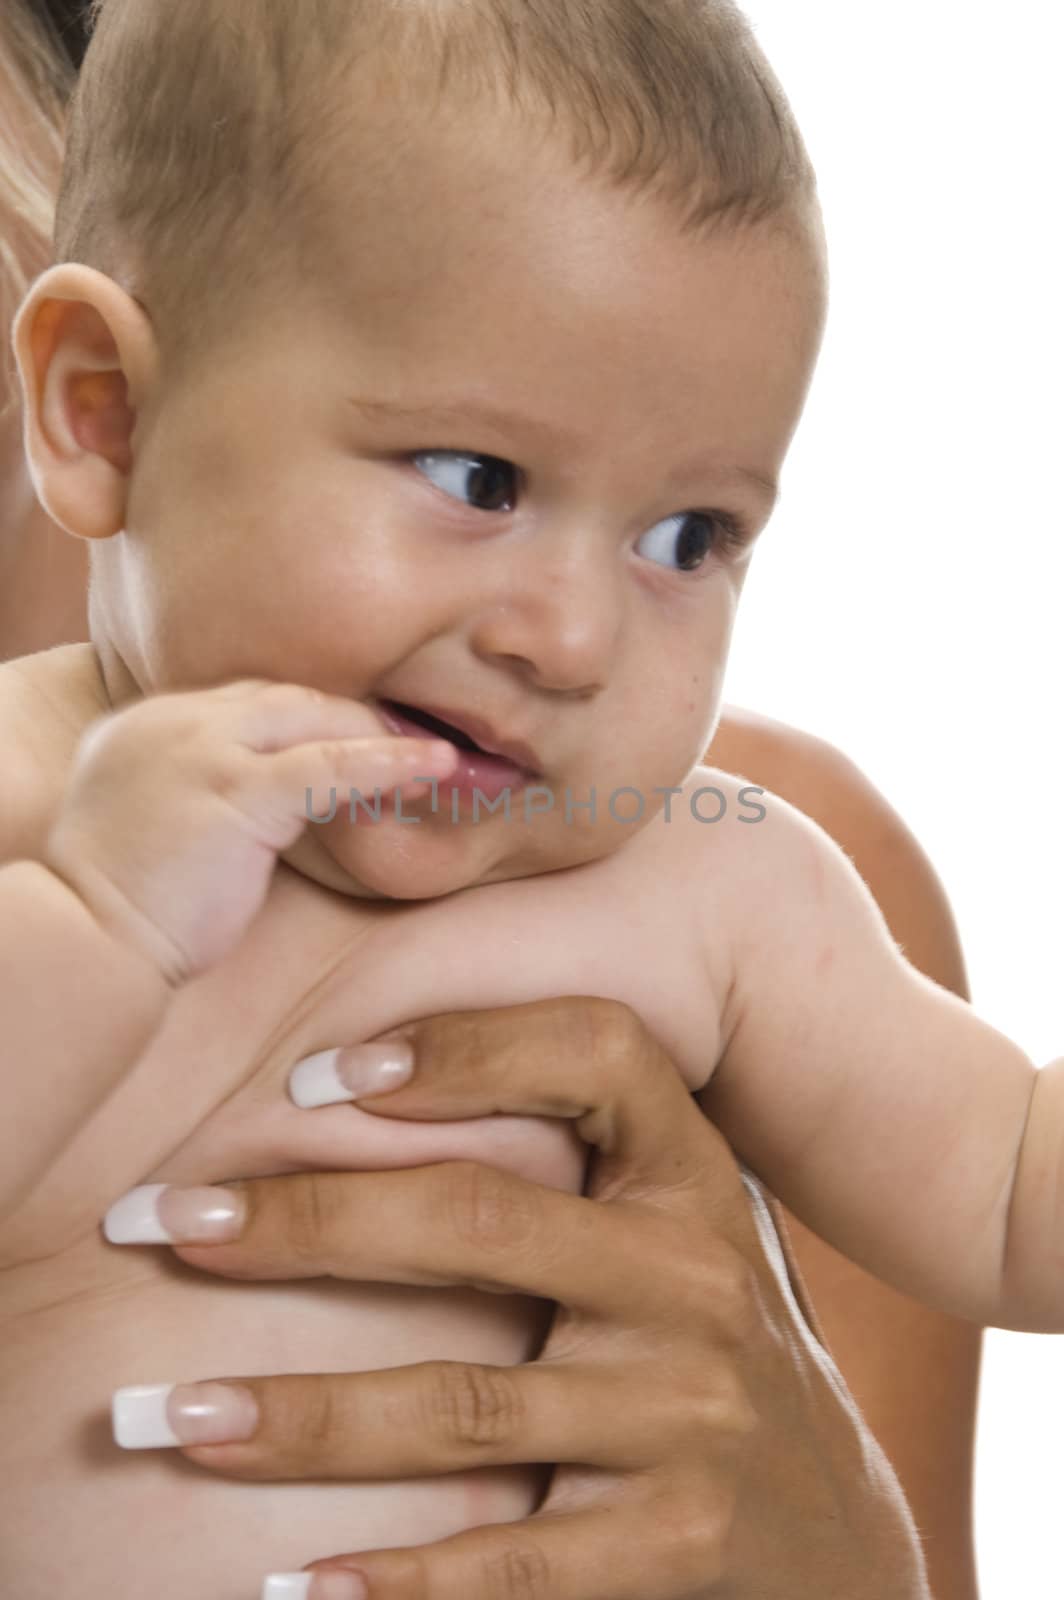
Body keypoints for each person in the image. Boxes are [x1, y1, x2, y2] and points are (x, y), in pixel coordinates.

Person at [0, 2, 985, 1596]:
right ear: (102, 407)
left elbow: (1002, 1183)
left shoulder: (721, 882)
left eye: (689, 538)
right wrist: (99, 924)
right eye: (479, 483)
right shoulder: (33, 802)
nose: (577, 638)